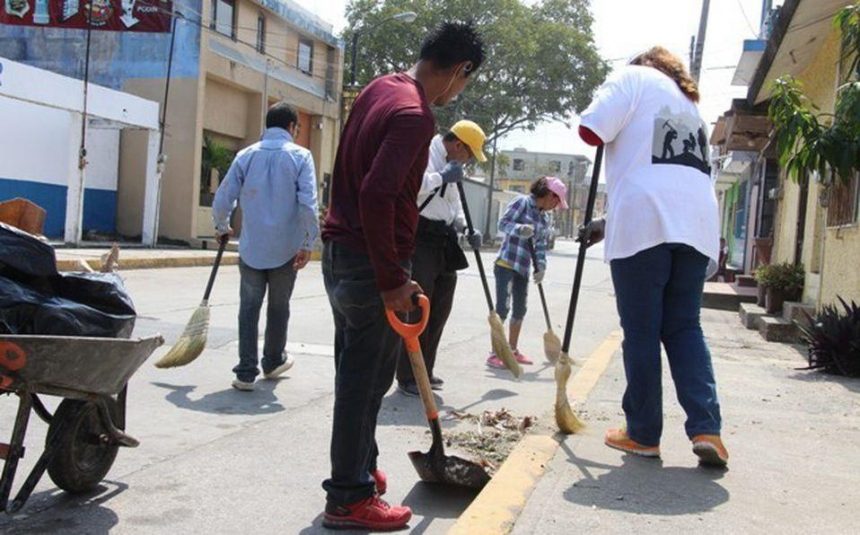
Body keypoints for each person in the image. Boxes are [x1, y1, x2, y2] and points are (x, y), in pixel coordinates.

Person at [320, 22, 484, 531]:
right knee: (363, 384)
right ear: (460, 70)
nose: (459, 92)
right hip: (372, 262)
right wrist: (392, 276)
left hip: (341, 253)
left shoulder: (379, 88)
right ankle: (348, 497)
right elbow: (377, 194)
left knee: (356, 372)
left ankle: (361, 470)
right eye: (465, 83)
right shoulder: (416, 116)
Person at [577, 46, 728, 467]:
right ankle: (707, 429)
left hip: (646, 225)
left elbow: (592, 130)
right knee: (683, 328)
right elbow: (667, 174)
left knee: (642, 330)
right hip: (696, 227)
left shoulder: (632, 78)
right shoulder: (691, 107)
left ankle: (643, 434)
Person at [212, 102, 318, 392]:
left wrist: (222, 227)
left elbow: (223, 198)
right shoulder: (301, 156)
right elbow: (308, 204)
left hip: (252, 247)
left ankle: (246, 371)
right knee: (279, 307)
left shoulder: (245, 156)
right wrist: (309, 241)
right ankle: (272, 361)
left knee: (248, 308)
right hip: (287, 248)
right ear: (292, 127)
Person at [395, 120, 487, 397]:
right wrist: (441, 177)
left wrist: (466, 228)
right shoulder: (426, 153)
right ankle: (408, 376)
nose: (468, 161)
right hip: (419, 236)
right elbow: (413, 187)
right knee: (418, 307)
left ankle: (426, 368)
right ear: (458, 144)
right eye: (469, 154)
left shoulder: (453, 166)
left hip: (443, 238)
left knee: (440, 308)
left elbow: (453, 205)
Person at [487, 176, 568, 369]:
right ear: (549, 195)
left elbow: (539, 245)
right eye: (556, 201)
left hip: (523, 268)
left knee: (520, 310)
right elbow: (503, 224)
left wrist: (541, 267)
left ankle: (512, 351)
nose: (556, 206)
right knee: (502, 309)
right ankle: (495, 353)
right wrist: (519, 229)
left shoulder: (544, 217)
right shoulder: (522, 203)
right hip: (506, 263)